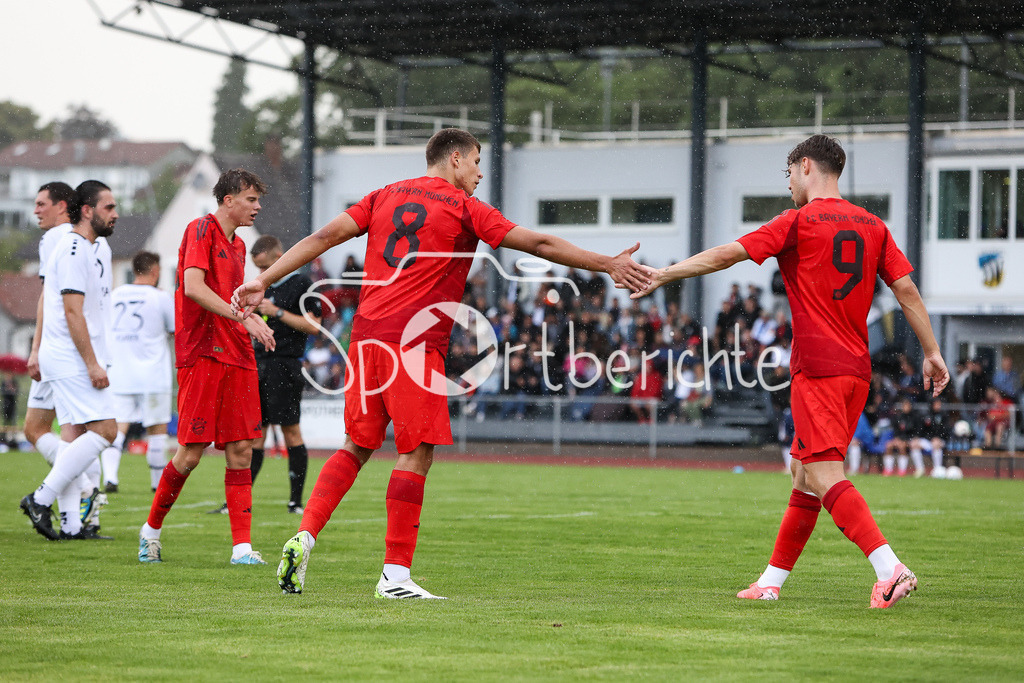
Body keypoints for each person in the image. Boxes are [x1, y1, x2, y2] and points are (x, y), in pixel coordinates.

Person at [232, 128, 650, 599]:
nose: (479, 172)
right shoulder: (463, 207)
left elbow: (325, 236)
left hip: (367, 340)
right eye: (475, 162)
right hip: (413, 344)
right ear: (454, 159)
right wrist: (606, 263)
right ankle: (395, 577)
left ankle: (304, 535)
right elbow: (539, 246)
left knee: (355, 447)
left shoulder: (384, 195)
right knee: (417, 452)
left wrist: (262, 279)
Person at [633, 134, 949, 608]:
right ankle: (770, 583)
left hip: (818, 367)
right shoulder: (874, 227)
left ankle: (891, 568)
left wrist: (664, 274)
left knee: (823, 474)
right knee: (804, 474)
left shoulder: (798, 221)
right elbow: (906, 292)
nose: (789, 187)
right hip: (856, 371)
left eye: (789, 176)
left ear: (805, 167)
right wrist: (932, 352)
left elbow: (728, 254)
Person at [137, 169, 275, 565]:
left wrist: (250, 311)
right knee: (191, 453)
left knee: (242, 449)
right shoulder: (200, 229)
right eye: (251, 199)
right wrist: (243, 317)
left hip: (237, 354)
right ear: (228, 199)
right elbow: (194, 289)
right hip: (202, 352)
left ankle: (242, 549)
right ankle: (151, 531)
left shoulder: (239, 245)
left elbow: (227, 296)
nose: (257, 206)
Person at [20, 180, 120, 541]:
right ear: (88, 210)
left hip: (70, 354)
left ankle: (74, 525)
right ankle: (40, 498)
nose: (116, 213)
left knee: (73, 434)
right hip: (69, 356)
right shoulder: (74, 248)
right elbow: (72, 312)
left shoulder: (90, 247)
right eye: (109, 206)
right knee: (107, 430)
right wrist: (92, 363)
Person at [248, 234, 323, 513]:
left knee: (291, 431)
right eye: (257, 269)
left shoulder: (302, 284)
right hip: (260, 364)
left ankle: (295, 502)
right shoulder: (261, 288)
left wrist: (277, 312)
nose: (261, 274)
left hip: (285, 365)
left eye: (263, 267)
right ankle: (240, 500)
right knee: (256, 434)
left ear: (278, 258)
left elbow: (315, 326)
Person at [99, 251, 174, 493]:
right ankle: (156, 484)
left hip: (120, 373)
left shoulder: (114, 294)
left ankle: (110, 478)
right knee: (156, 429)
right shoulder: (160, 297)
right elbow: (175, 330)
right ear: (155, 271)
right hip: (152, 375)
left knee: (116, 428)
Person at [24, 182, 84, 467]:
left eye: (41, 204)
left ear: (62, 206)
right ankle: (86, 495)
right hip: (82, 345)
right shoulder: (90, 238)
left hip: (57, 346)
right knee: (80, 431)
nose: (35, 211)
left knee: (37, 429)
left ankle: (85, 490)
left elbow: (49, 299)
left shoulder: (55, 237)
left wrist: (36, 349)